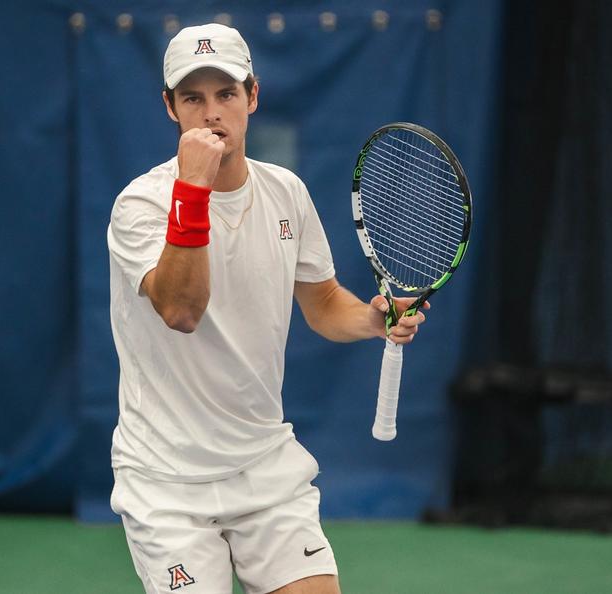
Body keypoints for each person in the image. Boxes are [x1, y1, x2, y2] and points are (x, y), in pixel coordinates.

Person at [106, 23, 427, 594]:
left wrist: (376, 320)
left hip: (263, 465)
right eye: (193, 98)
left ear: (253, 97)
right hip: (167, 479)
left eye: (226, 94)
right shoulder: (140, 206)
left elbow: (324, 303)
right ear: (170, 108)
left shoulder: (287, 194)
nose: (211, 114)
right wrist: (193, 192)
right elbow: (181, 310)